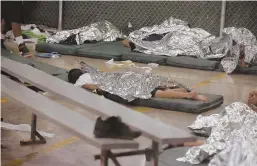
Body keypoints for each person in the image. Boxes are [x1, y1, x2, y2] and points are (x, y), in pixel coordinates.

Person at [68, 68, 208, 102]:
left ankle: (189, 95)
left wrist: (102, 89)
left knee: (151, 93)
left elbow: (92, 87)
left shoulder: (80, 82)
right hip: (122, 77)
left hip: (116, 83)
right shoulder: (92, 73)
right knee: (148, 86)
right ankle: (181, 90)